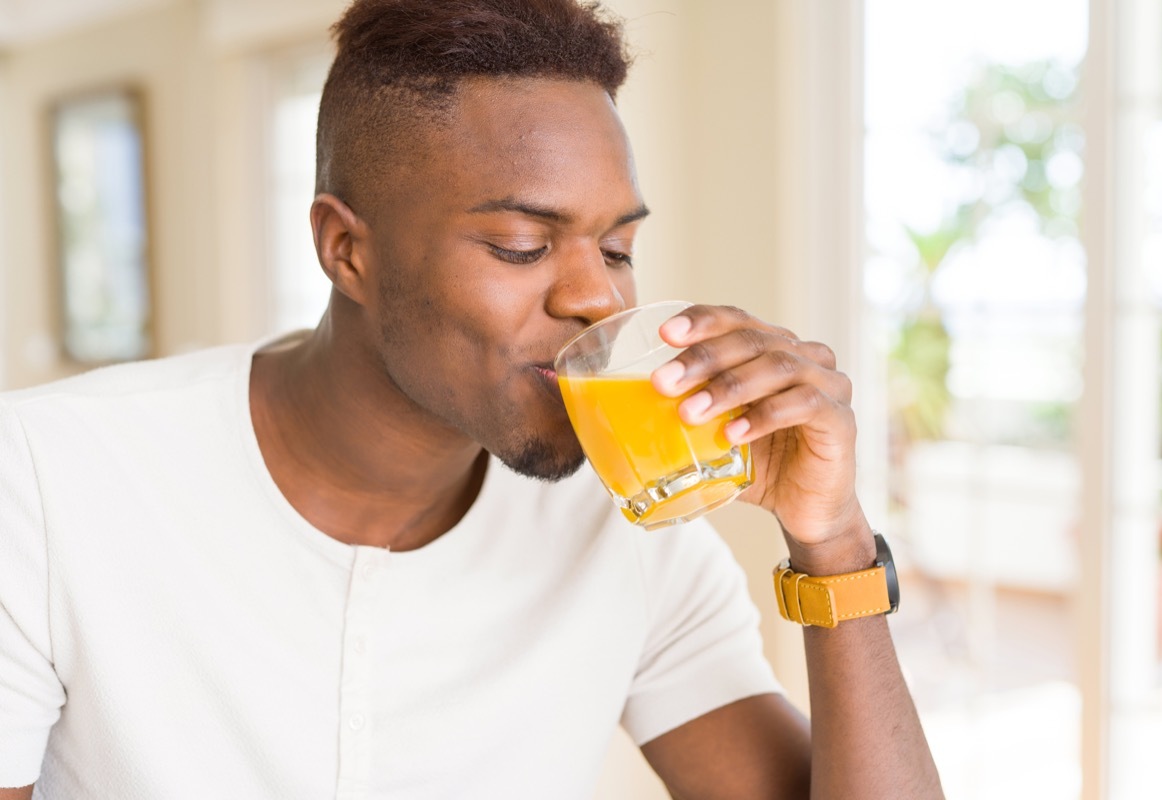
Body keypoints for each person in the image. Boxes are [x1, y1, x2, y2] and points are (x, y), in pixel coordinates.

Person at [0, 0, 944, 797]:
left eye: (616, 248)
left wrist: (835, 543)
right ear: (346, 250)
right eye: (522, 247)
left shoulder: (624, 531)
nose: (598, 297)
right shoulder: (45, 482)